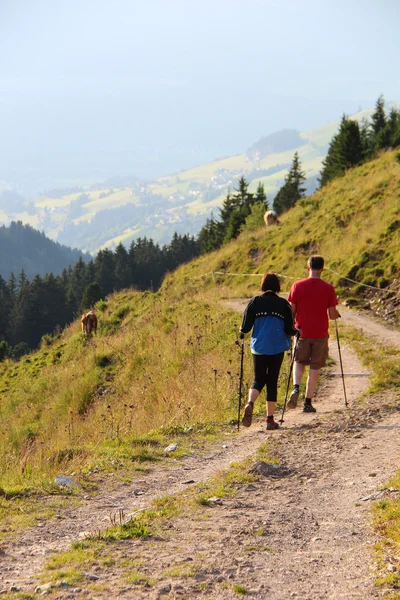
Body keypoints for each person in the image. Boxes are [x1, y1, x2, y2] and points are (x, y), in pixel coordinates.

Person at [240, 272, 298, 431]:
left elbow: (245, 327)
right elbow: (289, 328)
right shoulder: (283, 304)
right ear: (277, 287)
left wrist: (241, 332)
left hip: (258, 347)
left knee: (258, 378)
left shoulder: (255, 302)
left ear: (263, 285)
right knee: (272, 380)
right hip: (277, 346)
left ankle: (250, 403)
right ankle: (269, 420)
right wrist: (296, 332)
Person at [287, 255, 339, 413]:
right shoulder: (328, 288)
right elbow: (331, 314)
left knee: (299, 361)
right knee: (315, 367)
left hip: (302, 331)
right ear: (322, 269)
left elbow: (292, 311)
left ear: (308, 268)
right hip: (320, 333)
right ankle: (307, 402)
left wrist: (292, 327)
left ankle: (296, 387)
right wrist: (336, 313)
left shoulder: (297, 285)